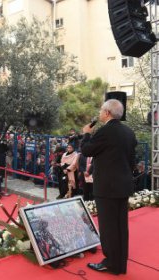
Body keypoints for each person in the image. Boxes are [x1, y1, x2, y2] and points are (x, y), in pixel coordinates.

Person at [81, 99, 137, 275]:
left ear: (107, 113)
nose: (99, 113)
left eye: (101, 110)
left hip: (107, 187)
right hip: (123, 185)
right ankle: (120, 264)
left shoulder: (105, 131)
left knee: (108, 227)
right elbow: (132, 161)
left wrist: (86, 134)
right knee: (121, 226)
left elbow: (87, 151)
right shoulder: (129, 132)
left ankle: (111, 264)